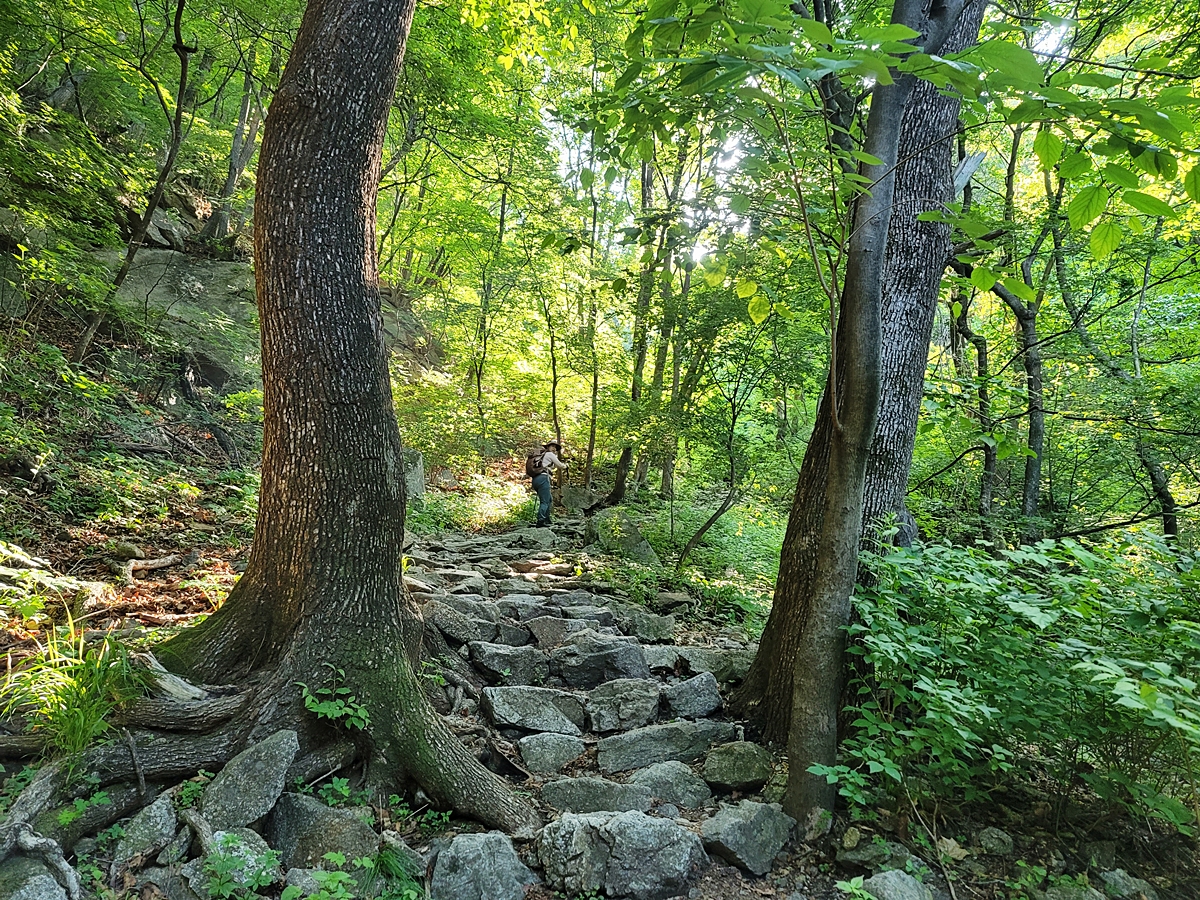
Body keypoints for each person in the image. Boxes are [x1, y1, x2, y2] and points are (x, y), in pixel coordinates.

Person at [530, 440, 568, 527]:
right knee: (545, 501)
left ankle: (547, 519)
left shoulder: (542, 456)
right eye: (552, 446)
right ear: (548, 447)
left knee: (549, 499)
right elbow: (560, 465)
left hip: (536, 479)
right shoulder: (550, 454)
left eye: (556, 447)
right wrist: (566, 466)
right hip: (543, 478)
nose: (554, 448)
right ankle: (541, 521)